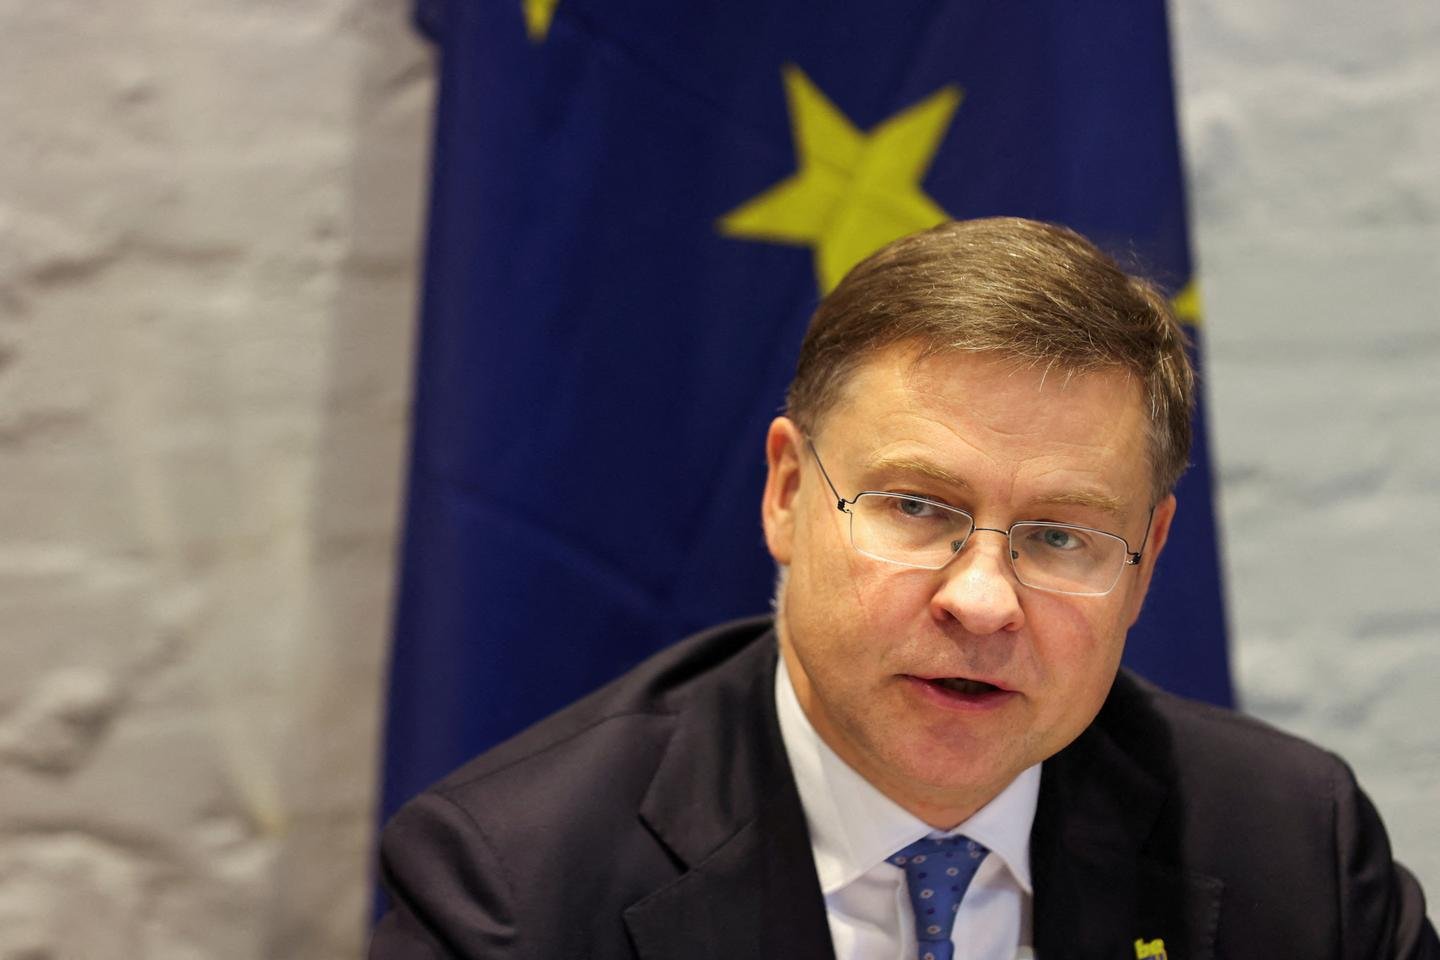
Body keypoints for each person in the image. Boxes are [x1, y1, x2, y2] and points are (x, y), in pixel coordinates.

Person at [371, 218, 1438, 959]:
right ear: (788, 493)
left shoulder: (1295, 850)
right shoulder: (515, 889)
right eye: (918, 507)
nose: (983, 601)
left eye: (1059, 536)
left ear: (1146, 560)